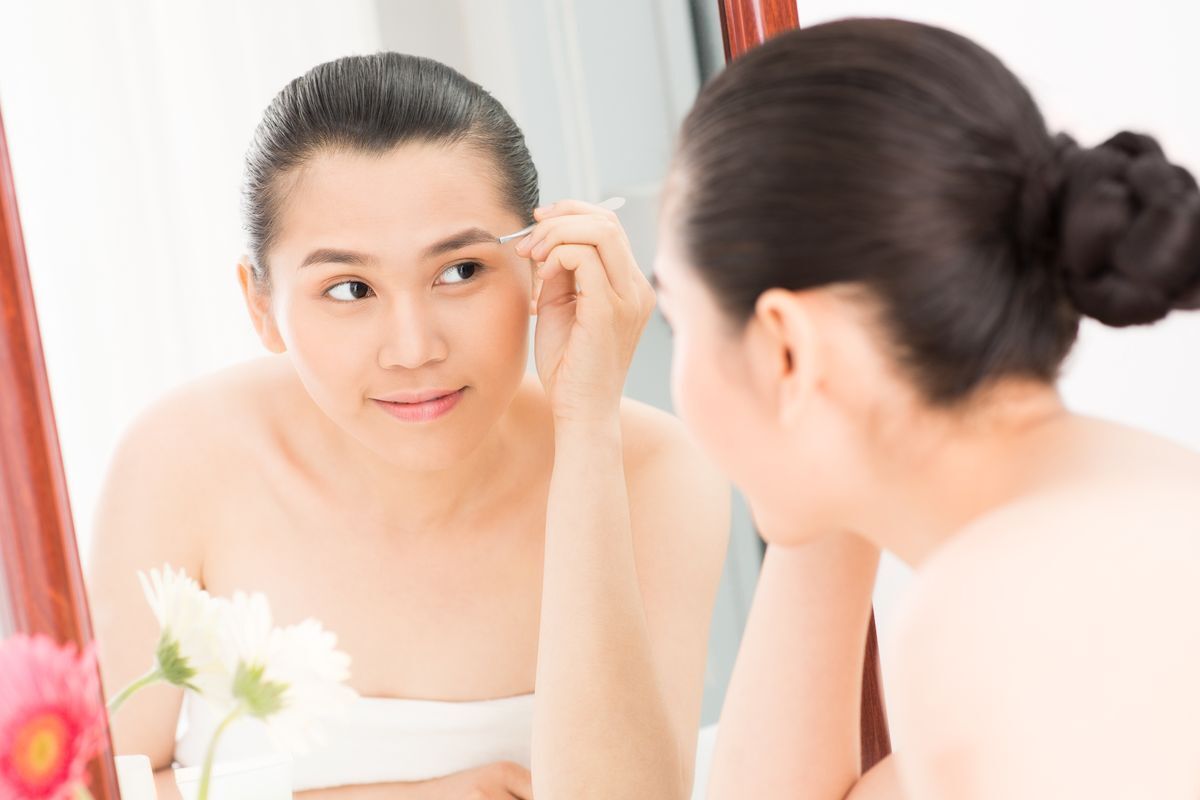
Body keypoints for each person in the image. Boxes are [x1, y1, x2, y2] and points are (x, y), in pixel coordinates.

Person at [89, 51, 729, 800]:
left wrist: (586, 427)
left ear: (537, 264)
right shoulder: (180, 461)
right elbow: (85, 788)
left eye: (460, 271)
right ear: (260, 305)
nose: (415, 348)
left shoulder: (653, 468)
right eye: (350, 288)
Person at [652, 18, 1200, 799]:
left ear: (784, 348)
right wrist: (837, 440)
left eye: (678, 318)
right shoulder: (1121, 497)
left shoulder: (996, 609)